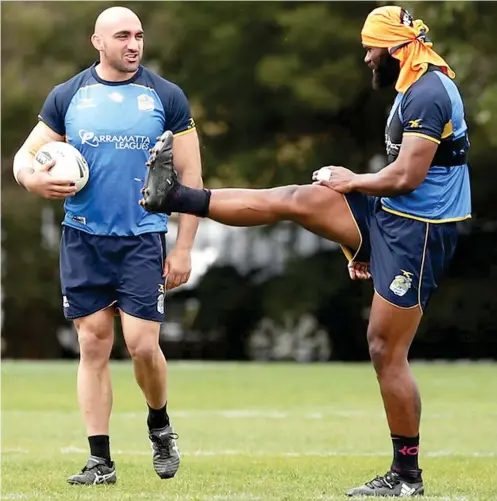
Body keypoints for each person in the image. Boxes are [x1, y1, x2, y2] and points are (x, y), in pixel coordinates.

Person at [140, 6, 471, 497]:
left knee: (384, 348)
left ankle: (406, 476)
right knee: (299, 199)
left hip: (420, 233)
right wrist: (356, 242)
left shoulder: (428, 92)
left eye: (371, 47)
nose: (366, 57)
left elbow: (406, 178)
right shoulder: (413, 85)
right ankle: (175, 197)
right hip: (392, 218)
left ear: (395, 47)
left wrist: (351, 180)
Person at [12, 6, 203, 485]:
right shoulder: (68, 96)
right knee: (92, 345)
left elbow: (192, 178)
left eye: (139, 35)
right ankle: (100, 461)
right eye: (122, 36)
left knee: (141, 346)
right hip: (83, 239)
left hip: (141, 239)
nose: (133, 44)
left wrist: (182, 249)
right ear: (97, 41)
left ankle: (158, 422)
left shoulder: (166, 96)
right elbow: (24, 157)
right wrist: (33, 182)